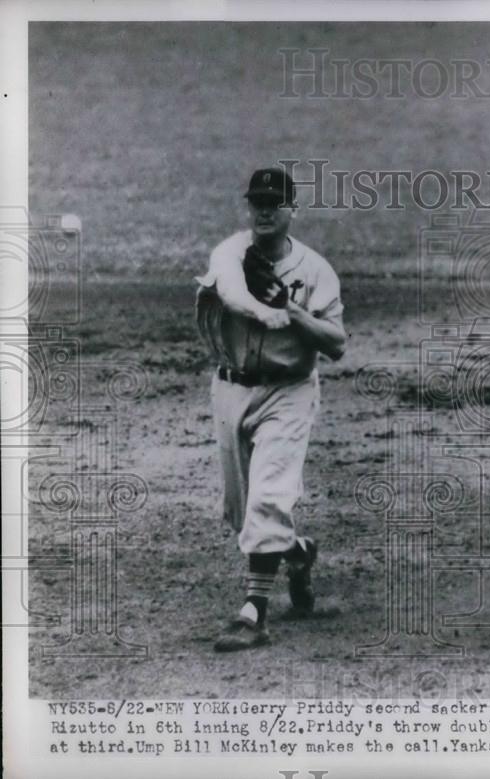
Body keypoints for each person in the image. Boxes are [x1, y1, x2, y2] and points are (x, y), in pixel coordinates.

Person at [195, 167, 347, 652]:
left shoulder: (315, 270)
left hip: (289, 392)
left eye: (274, 202)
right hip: (231, 389)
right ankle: (297, 554)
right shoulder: (231, 255)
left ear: (291, 210)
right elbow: (232, 296)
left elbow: (337, 344)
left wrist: (294, 312)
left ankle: (253, 613)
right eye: (257, 202)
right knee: (244, 515)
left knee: (267, 499)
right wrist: (265, 309)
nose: (263, 210)